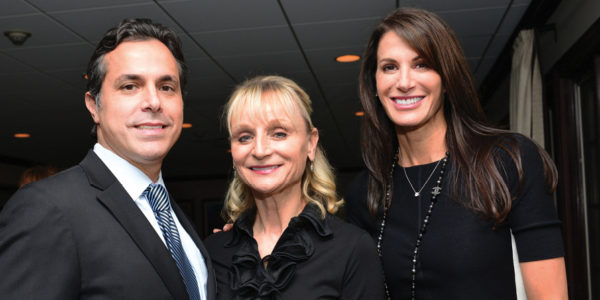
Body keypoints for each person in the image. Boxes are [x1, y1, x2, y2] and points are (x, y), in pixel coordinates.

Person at [345, 7, 568, 300]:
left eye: (422, 64)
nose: (404, 82)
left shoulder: (507, 161)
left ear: (447, 78)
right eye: (389, 67)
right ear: (374, 84)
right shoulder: (366, 191)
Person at [0, 18, 215, 300]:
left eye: (166, 87)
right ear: (94, 106)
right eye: (130, 86)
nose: (153, 101)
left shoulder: (172, 216)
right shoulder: (47, 208)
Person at [204, 75, 385, 299]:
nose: (260, 150)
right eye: (244, 137)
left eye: (279, 133)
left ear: (310, 143)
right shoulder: (213, 252)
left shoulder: (351, 249)